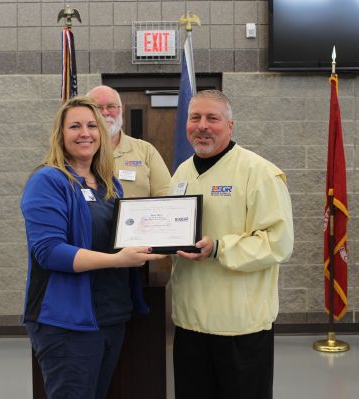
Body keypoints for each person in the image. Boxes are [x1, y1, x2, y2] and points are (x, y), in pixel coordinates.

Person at [20, 96, 165, 399]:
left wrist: (165, 241)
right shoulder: (49, 180)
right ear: (60, 135)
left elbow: (121, 237)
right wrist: (118, 260)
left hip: (111, 314)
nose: (84, 133)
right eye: (74, 126)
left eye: (91, 126)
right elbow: (50, 252)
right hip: (67, 321)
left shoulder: (108, 184)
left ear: (102, 133)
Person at [169, 90, 294, 399]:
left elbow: (278, 243)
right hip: (189, 322)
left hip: (240, 326)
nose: (202, 126)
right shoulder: (182, 173)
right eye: (195, 117)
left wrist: (219, 248)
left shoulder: (260, 173)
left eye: (213, 118)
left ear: (230, 125)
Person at [86, 85, 171, 197]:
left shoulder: (146, 151)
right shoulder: (79, 152)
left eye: (111, 106)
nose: (105, 112)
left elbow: (167, 196)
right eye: (98, 107)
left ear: (122, 110)